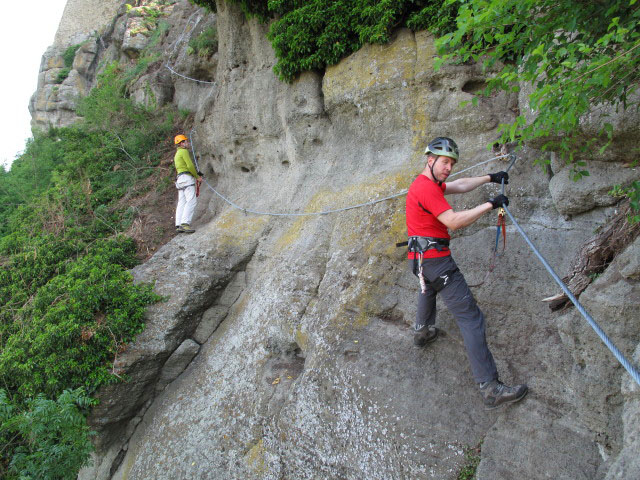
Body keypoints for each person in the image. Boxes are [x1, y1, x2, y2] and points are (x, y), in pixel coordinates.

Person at [405, 136, 527, 409]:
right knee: (471, 318)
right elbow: (453, 221)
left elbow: (458, 186)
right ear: (430, 160)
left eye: (451, 163)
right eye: (444, 162)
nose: (448, 167)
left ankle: (422, 330)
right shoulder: (426, 189)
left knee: (428, 286)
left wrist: (489, 178)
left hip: (419, 259)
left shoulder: (427, 184)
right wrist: (490, 205)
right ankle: (491, 388)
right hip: (437, 261)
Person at [173, 134, 202, 234]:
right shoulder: (183, 151)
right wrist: (197, 177)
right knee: (192, 201)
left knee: (182, 202)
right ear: (181, 143)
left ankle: (178, 224)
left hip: (180, 180)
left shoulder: (177, 154)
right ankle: (185, 223)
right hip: (186, 178)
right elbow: (189, 165)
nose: (187, 143)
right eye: (185, 141)